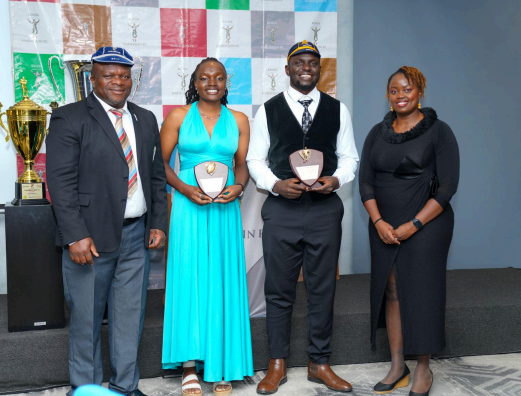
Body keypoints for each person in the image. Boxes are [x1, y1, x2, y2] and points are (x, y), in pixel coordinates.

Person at [46, 47, 168, 396]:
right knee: (86, 321)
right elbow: (61, 183)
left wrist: (157, 221)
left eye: (124, 75)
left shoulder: (145, 118)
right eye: (109, 75)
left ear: (132, 79)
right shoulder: (69, 118)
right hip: (91, 240)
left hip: (136, 236)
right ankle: (86, 390)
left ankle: (125, 388)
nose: (118, 81)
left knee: (130, 318)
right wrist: (75, 235)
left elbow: (155, 177)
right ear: (92, 79)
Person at [247, 41, 358, 394]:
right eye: (299, 63)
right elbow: (254, 161)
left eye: (312, 63)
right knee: (278, 290)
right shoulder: (268, 110)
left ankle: (319, 362)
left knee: (322, 288)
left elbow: (349, 158)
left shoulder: (338, 110)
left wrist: (337, 180)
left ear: (319, 69)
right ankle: (277, 363)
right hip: (282, 210)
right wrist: (276, 185)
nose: (305, 68)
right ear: (287, 69)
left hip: (325, 210)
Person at [359, 66, 460, 396]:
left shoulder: (439, 131)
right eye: (394, 90)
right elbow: (366, 183)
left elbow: (446, 187)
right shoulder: (377, 132)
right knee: (392, 291)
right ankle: (398, 364)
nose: (400, 95)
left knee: (421, 292)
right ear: (387, 95)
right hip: (385, 225)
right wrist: (378, 222)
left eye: (407, 89)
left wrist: (414, 224)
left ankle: (422, 369)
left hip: (427, 224)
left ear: (420, 92)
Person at [160, 58, 253, 396]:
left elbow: (241, 166)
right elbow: (161, 163)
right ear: (195, 83)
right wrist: (184, 190)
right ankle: (188, 366)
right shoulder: (178, 116)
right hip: (189, 205)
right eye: (204, 77)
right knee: (189, 277)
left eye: (219, 77)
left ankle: (222, 363)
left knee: (221, 278)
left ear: (227, 83)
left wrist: (239, 188)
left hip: (225, 208)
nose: (212, 82)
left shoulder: (240, 120)